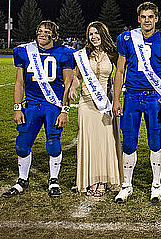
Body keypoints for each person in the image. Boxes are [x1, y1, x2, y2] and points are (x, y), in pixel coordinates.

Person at [112, 2, 161, 203]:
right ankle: (126, 185)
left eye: (150, 16)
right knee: (129, 141)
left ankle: (156, 185)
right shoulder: (126, 38)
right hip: (131, 96)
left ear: (156, 18)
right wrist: (116, 99)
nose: (147, 20)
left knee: (155, 141)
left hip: (154, 97)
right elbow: (120, 71)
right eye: (143, 17)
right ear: (138, 18)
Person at [3, 20, 75, 198]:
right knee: (22, 144)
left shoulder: (64, 53)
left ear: (55, 36)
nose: (42, 34)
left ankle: (53, 180)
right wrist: (17, 108)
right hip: (32, 105)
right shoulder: (24, 51)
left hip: (53, 106)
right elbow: (19, 82)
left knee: (53, 143)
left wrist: (65, 110)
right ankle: (22, 180)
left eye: (47, 32)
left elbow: (68, 83)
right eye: (40, 31)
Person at [68, 21, 124, 197]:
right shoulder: (84, 54)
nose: (94, 36)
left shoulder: (113, 54)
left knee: (105, 142)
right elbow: (77, 77)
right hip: (86, 103)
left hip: (104, 104)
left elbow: (120, 75)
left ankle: (103, 180)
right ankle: (91, 180)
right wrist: (72, 88)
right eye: (91, 34)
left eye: (97, 33)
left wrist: (116, 98)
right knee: (90, 142)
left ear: (103, 34)